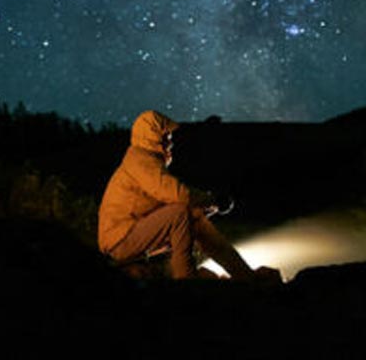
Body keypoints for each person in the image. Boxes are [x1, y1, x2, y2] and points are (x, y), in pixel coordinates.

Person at [97, 109, 255, 279]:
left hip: (130, 235)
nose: (171, 142)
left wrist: (205, 207)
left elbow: (168, 200)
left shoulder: (146, 161)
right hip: (119, 242)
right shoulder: (140, 161)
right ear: (152, 136)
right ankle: (185, 280)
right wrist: (212, 200)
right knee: (179, 214)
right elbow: (177, 194)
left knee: (194, 217)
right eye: (167, 136)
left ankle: (244, 275)